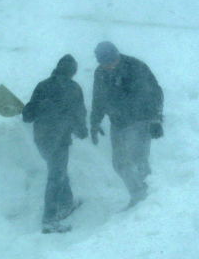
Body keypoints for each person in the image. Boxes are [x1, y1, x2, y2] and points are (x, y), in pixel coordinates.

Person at [90, 41, 164, 208]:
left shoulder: (135, 66)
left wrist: (156, 119)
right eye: (104, 63)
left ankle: (151, 199)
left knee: (139, 160)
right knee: (120, 163)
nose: (108, 66)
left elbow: (155, 93)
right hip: (118, 123)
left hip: (141, 120)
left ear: (117, 55)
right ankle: (139, 196)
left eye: (110, 62)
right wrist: (94, 122)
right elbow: (98, 98)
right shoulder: (100, 72)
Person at [22, 54, 88, 233]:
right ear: (73, 72)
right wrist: (82, 130)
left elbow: (28, 115)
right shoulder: (74, 88)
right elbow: (79, 113)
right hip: (59, 140)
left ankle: (67, 202)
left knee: (57, 169)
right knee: (55, 176)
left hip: (41, 139)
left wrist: (26, 110)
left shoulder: (42, 85)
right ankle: (49, 220)